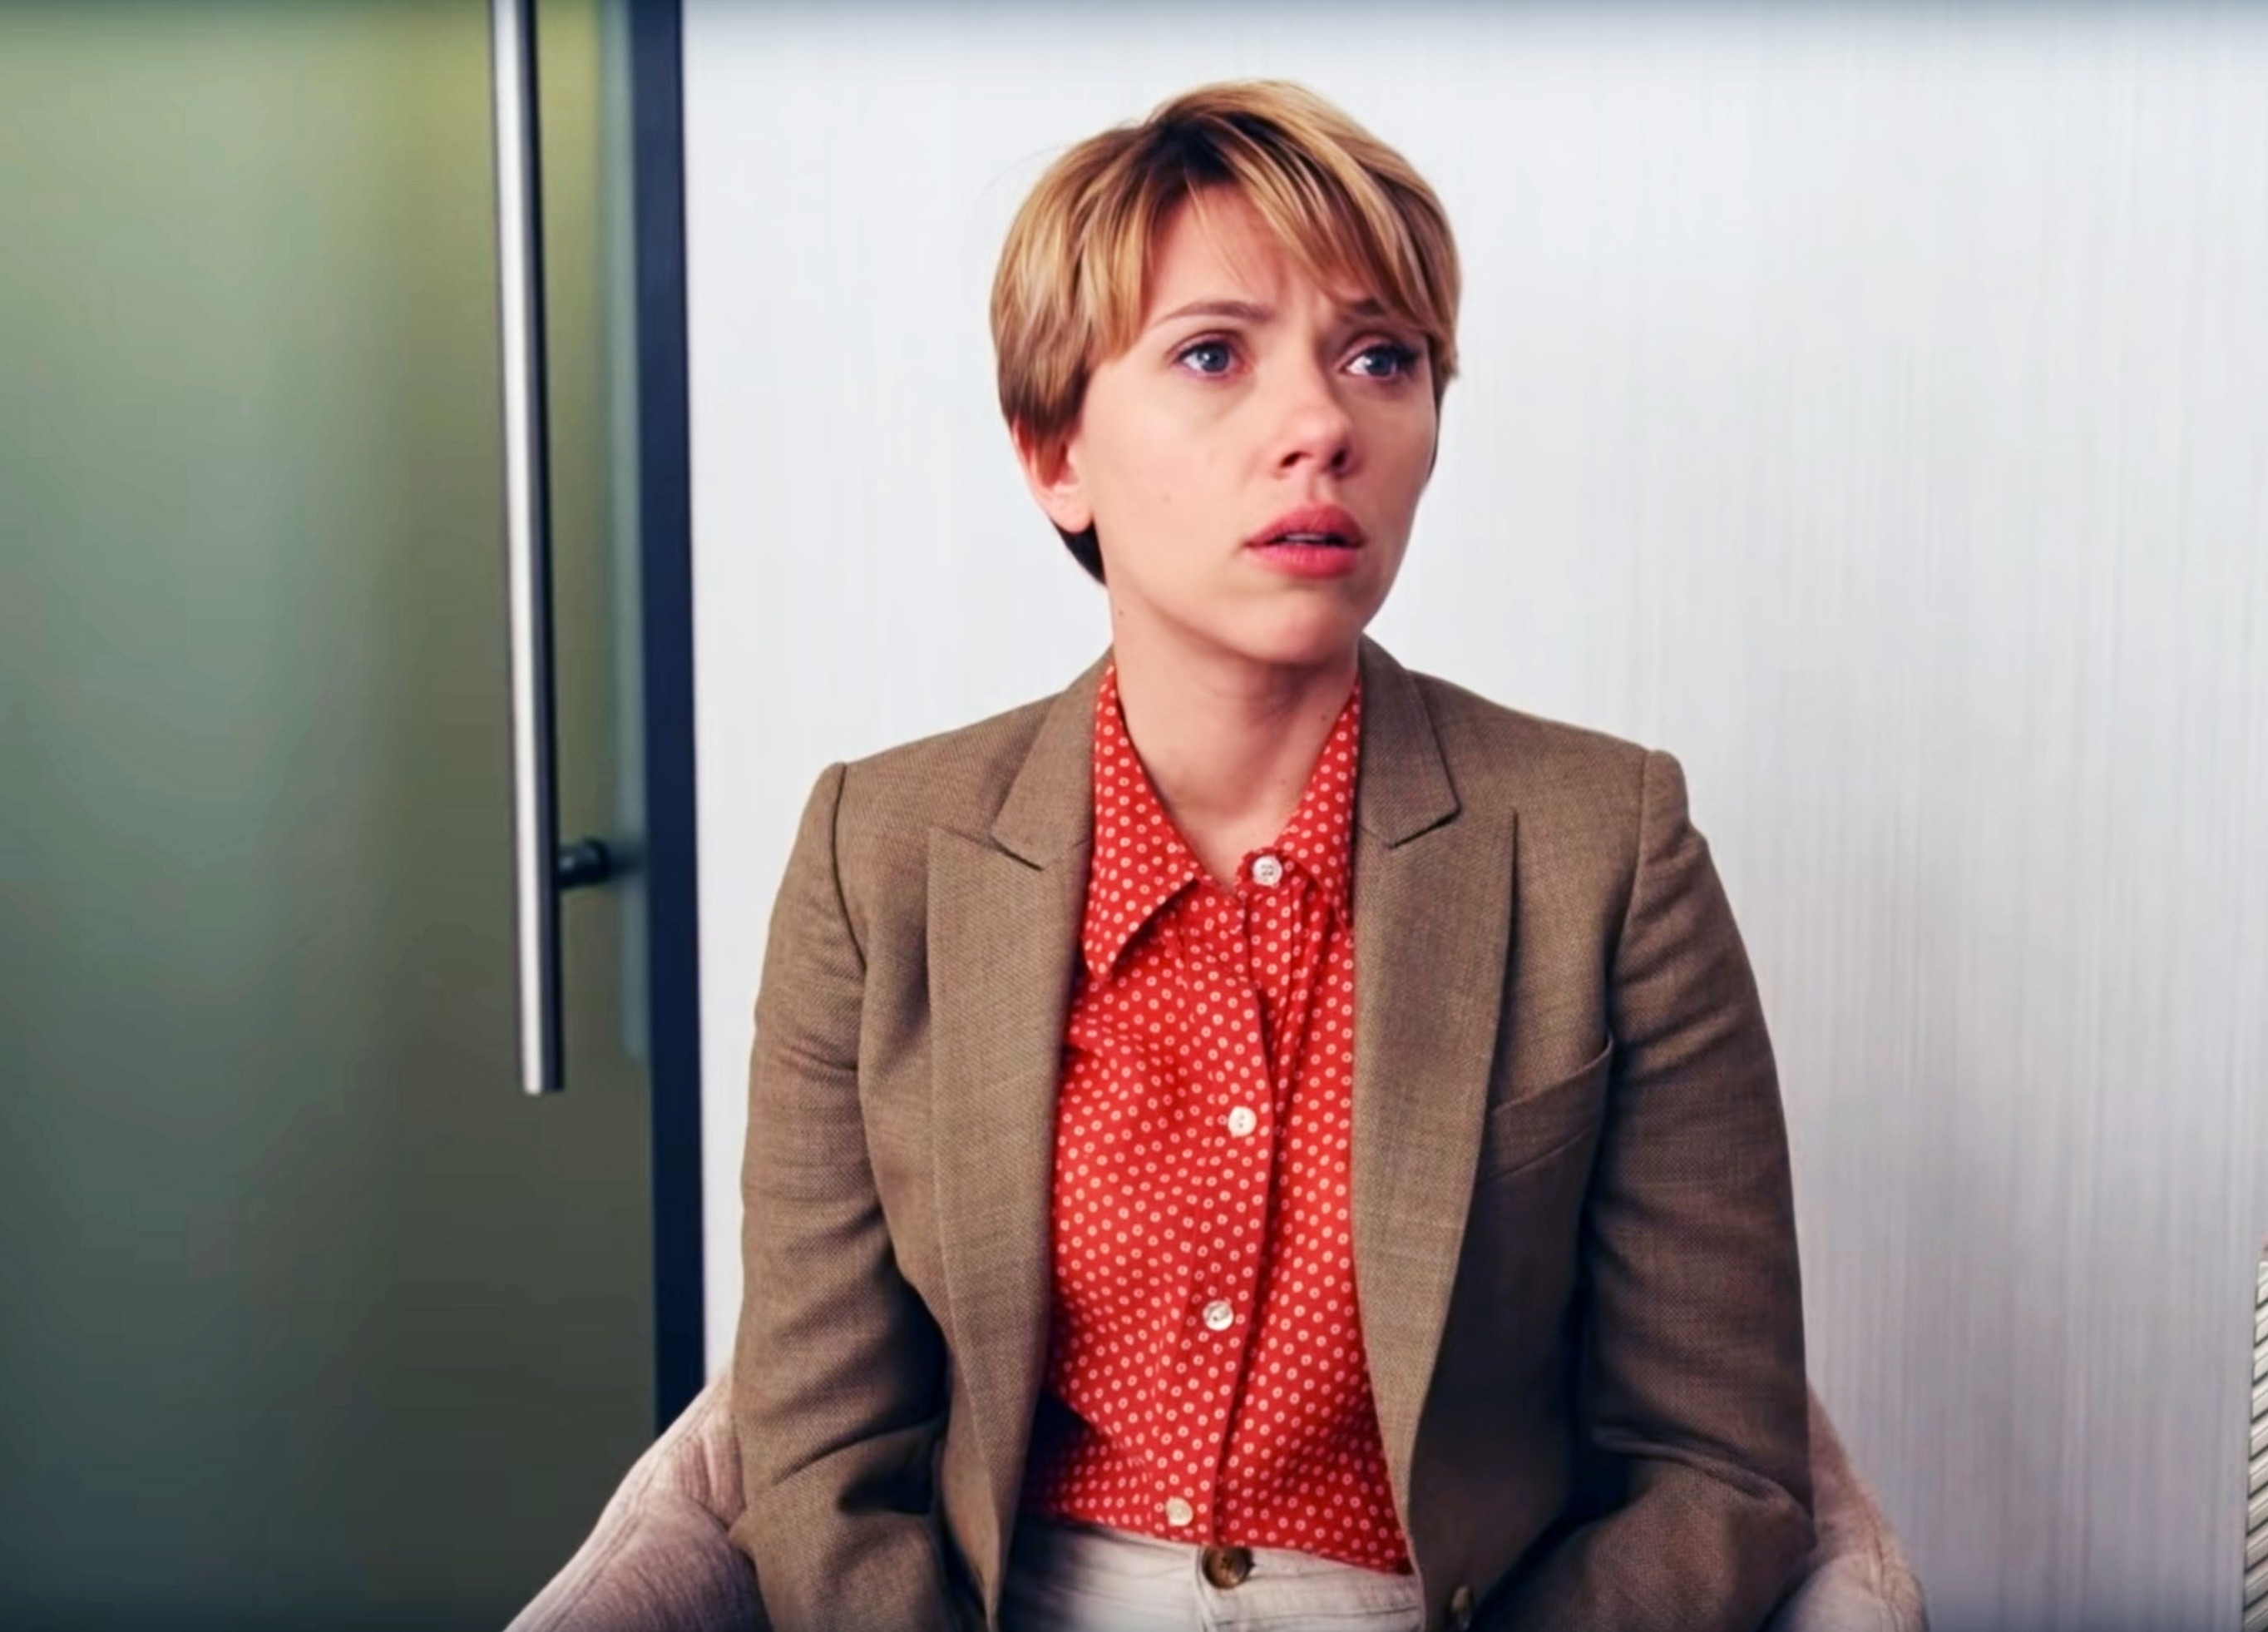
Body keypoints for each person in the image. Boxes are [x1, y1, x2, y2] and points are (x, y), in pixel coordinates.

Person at [728, 79, 1813, 1632]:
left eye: (1383, 357)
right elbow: (820, 1451)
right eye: (1212, 355)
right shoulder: (879, 856)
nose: (1321, 426)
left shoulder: (1604, 847)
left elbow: (1720, 1463)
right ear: (1056, 453)